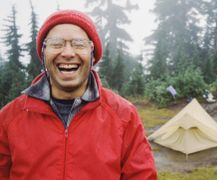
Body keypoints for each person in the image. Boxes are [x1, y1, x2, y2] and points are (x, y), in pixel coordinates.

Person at [0, 10, 157, 180]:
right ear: (44, 52)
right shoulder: (9, 118)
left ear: (92, 53)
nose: (67, 53)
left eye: (79, 44)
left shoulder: (124, 116)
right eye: (56, 43)